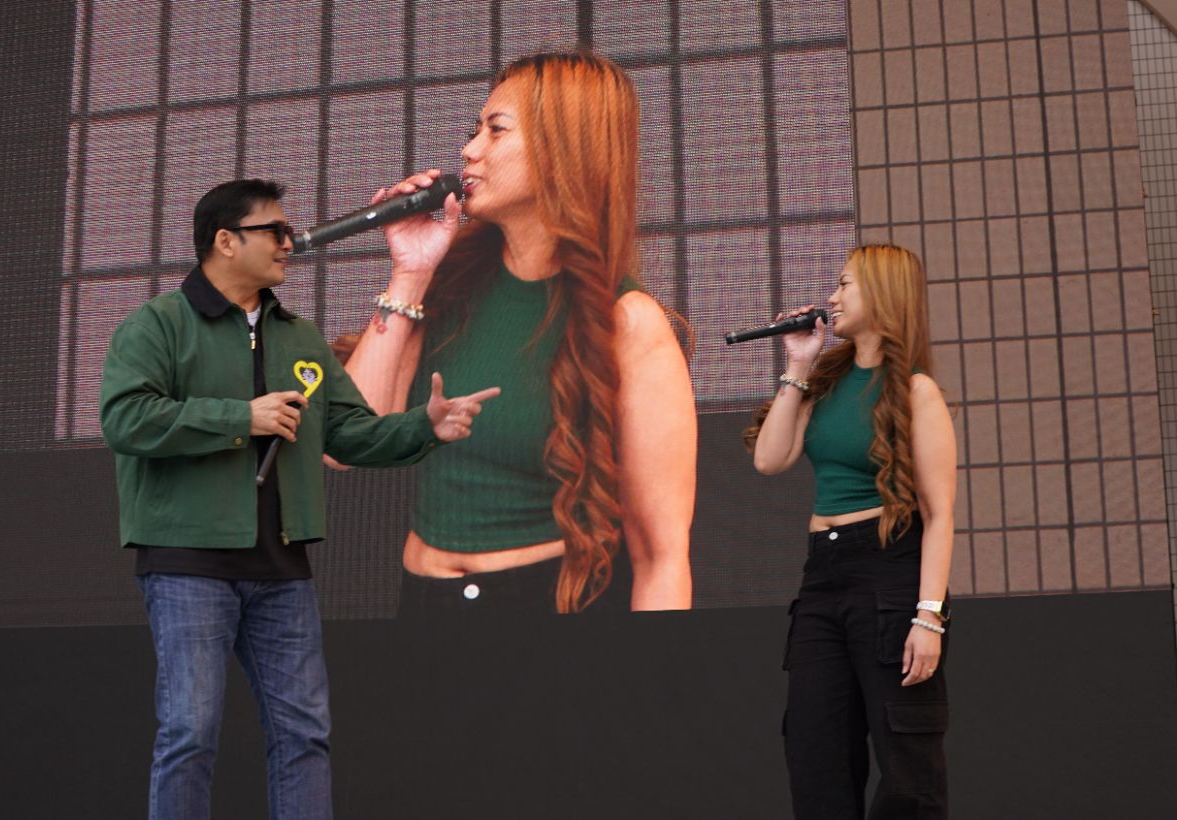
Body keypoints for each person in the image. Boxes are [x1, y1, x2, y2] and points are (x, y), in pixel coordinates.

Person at [99, 179, 497, 820]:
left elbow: (350, 434)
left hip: (281, 566)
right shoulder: (157, 324)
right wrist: (241, 417)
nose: (290, 242)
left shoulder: (299, 336)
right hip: (188, 562)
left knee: (304, 735)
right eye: (273, 231)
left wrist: (427, 426)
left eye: (288, 230)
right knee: (190, 735)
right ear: (225, 242)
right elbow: (126, 420)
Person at [337, 51, 696, 615]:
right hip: (426, 611)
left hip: (551, 609)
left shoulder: (630, 321)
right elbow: (347, 442)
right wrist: (409, 271)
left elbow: (662, 557)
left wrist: (657, 688)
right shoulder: (443, 285)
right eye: (474, 129)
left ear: (563, 149)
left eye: (495, 130)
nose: (469, 149)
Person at [746, 244, 956, 819]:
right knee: (816, 754)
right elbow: (769, 459)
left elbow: (939, 516)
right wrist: (798, 363)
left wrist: (929, 616)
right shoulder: (828, 380)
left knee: (908, 764)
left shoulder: (916, 392)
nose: (832, 298)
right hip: (823, 578)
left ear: (884, 296)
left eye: (846, 286)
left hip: (888, 573)